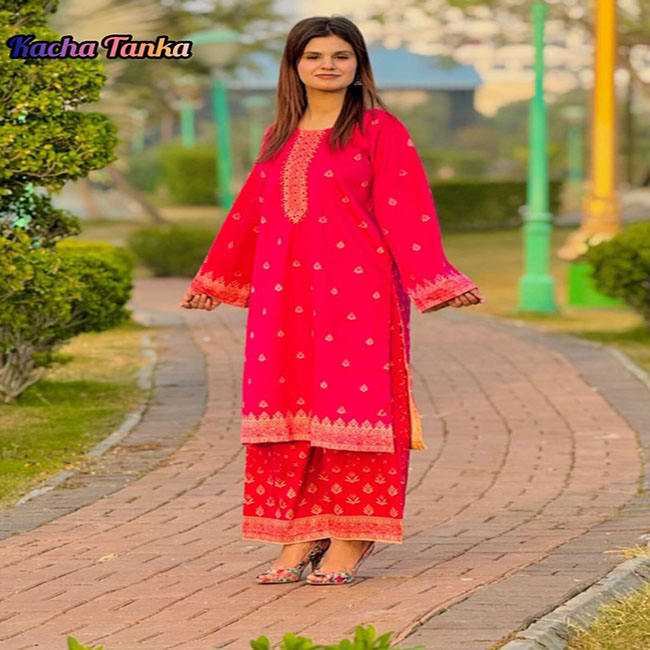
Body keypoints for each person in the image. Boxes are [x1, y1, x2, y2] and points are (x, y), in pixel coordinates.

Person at [180, 15, 484, 586]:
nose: (327, 65)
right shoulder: (278, 135)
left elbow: (405, 207)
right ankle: (299, 532)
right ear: (294, 66)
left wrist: (435, 278)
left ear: (358, 65)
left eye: (340, 55)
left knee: (354, 410)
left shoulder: (377, 128)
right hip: (283, 295)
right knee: (286, 408)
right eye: (314, 55)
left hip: (358, 294)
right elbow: (251, 210)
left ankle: (352, 535)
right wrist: (214, 279)